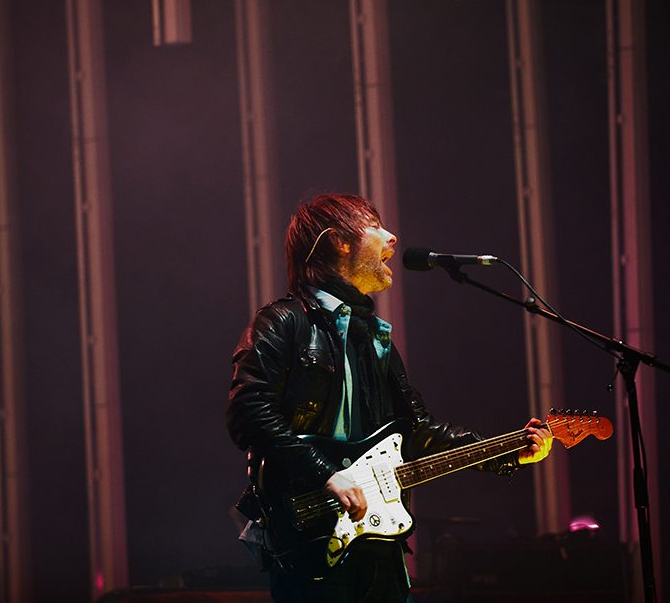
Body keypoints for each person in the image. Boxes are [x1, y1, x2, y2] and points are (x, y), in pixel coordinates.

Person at [227, 193, 553, 602]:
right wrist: (326, 474)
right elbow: (248, 412)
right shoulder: (282, 322)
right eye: (374, 226)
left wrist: (506, 451)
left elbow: (415, 431)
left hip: (378, 542)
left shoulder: (373, 337)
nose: (392, 237)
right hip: (310, 539)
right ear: (339, 242)